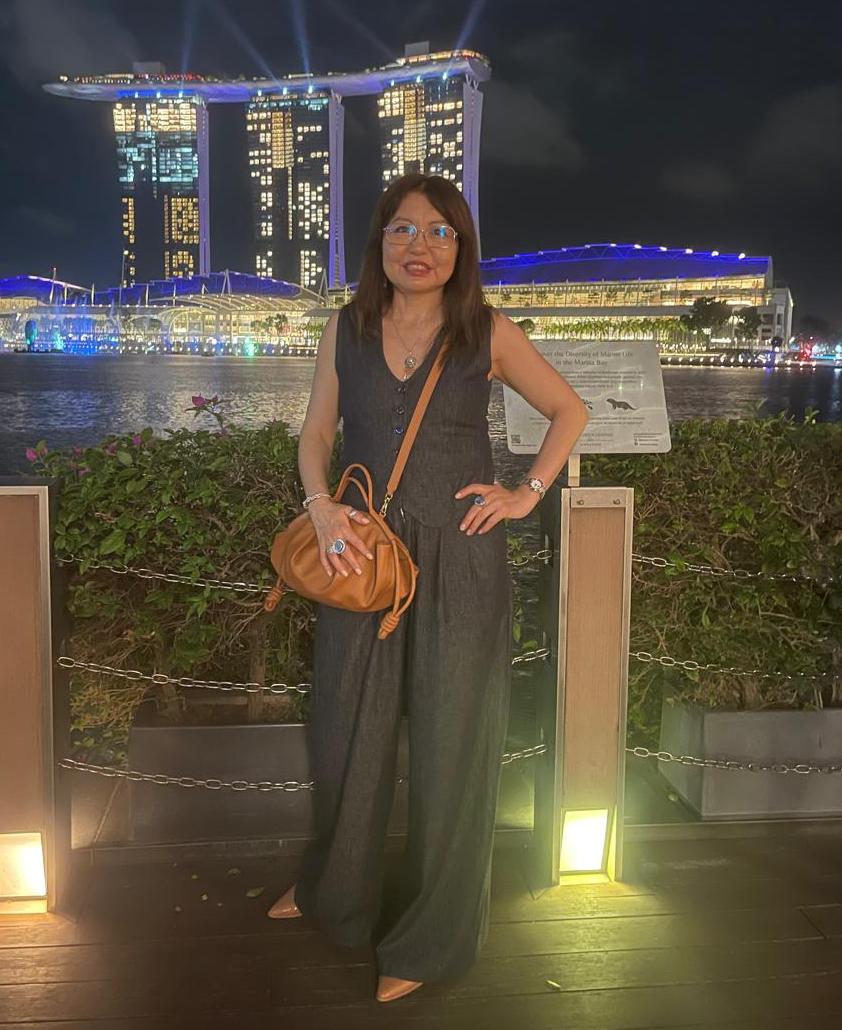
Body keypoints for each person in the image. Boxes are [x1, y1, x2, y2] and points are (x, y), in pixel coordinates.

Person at [266, 172, 589, 1002]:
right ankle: (333, 892)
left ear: (461, 248)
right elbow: (316, 432)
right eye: (404, 229)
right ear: (379, 241)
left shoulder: (486, 331)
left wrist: (525, 492)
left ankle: (433, 938)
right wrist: (322, 508)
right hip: (363, 558)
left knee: (455, 746)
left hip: (462, 561)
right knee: (345, 733)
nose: (421, 246)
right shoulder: (347, 329)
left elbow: (570, 410)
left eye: (440, 232)